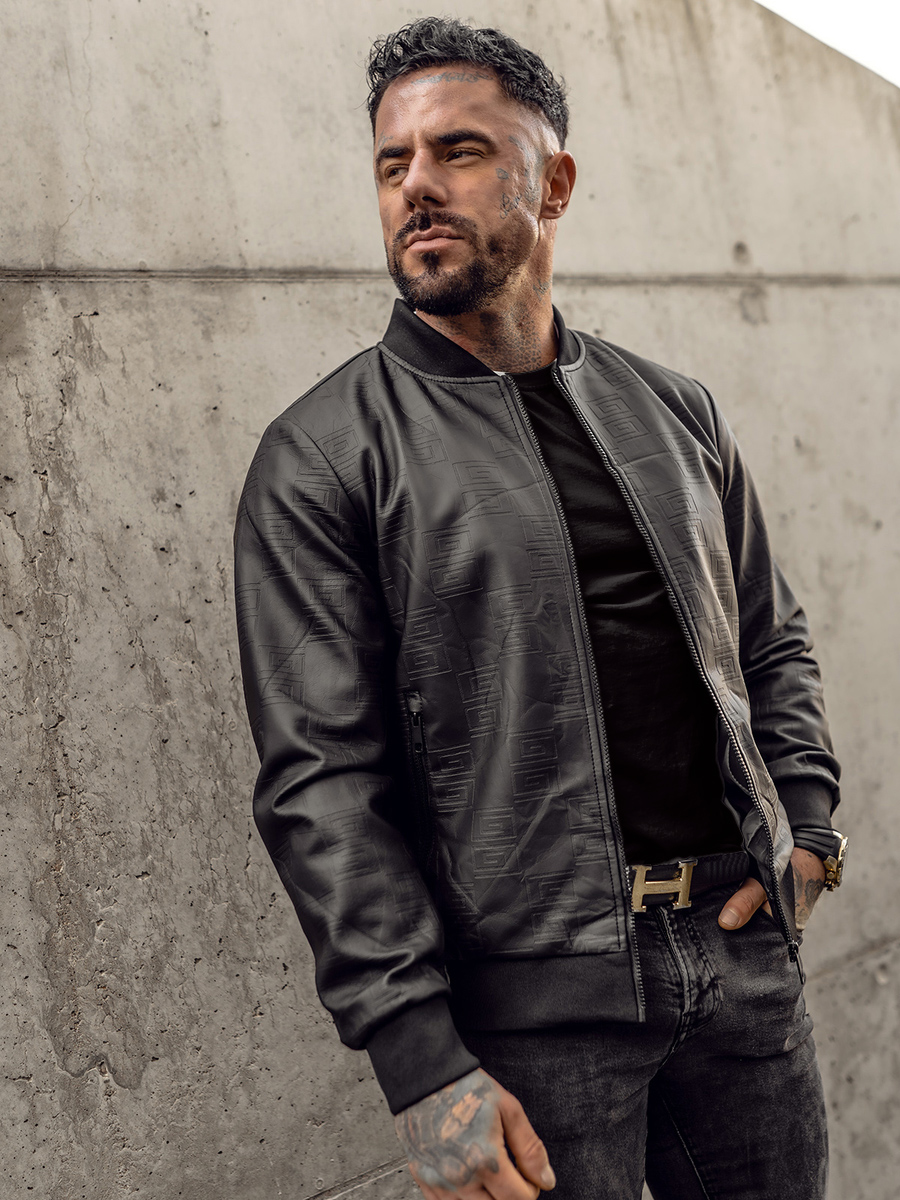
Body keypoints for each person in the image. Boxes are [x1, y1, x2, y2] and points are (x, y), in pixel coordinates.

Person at [234, 17, 847, 1200]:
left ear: (553, 183)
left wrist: (806, 828)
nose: (416, 186)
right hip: (530, 1027)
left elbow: (769, 638)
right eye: (392, 162)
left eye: (458, 151)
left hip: (741, 966)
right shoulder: (323, 456)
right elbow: (320, 781)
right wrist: (418, 1060)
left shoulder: (676, 412)